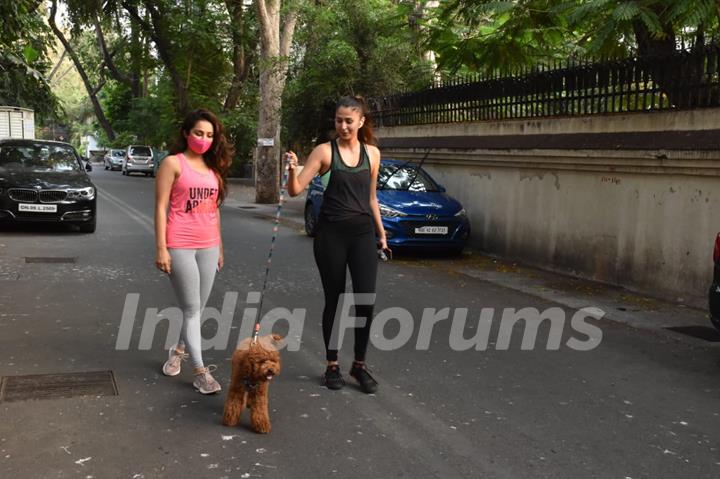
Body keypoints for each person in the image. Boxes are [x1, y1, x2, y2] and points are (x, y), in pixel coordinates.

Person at [286, 96, 390, 394]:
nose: (343, 126)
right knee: (335, 299)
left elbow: (371, 198)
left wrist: (381, 234)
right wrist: (293, 168)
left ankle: (359, 365)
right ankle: (332, 364)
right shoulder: (324, 152)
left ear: (361, 122)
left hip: (362, 235)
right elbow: (295, 190)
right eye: (338, 120)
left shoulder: (372, 154)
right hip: (331, 235)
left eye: (348, 120)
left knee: (366, 302)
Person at [155, 108, 233, 394]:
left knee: (197, 309)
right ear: (186, 133)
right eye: (199, 133)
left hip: (209, 244)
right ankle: (200, 372)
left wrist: (220, 247)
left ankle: (177, 351)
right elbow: (161, 207)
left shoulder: (213, 169)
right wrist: (162, 248)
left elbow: (214, 210)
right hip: (179, 244)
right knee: (191, 309)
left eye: (210, 135)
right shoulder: (172, 164)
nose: (204, 139)